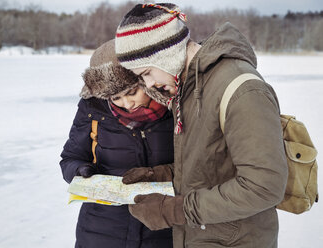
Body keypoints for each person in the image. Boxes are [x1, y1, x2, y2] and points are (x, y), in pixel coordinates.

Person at [115, 3, 288, 247]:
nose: (150, 84)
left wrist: (175, 210)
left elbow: (264, 186)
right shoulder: (188, 88)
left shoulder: (241, 89)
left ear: (166, 53)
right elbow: (213, 163)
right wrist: (163, 174)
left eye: (147, 73)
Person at [59, 39, 175, 248]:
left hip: (162, 230)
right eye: (116, 98)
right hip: (100, 231)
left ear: (146, 81)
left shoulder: (175, 109)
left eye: (132, 93)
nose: (127, 104)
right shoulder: (92, 109)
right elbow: (70, 158)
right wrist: (81, 171)